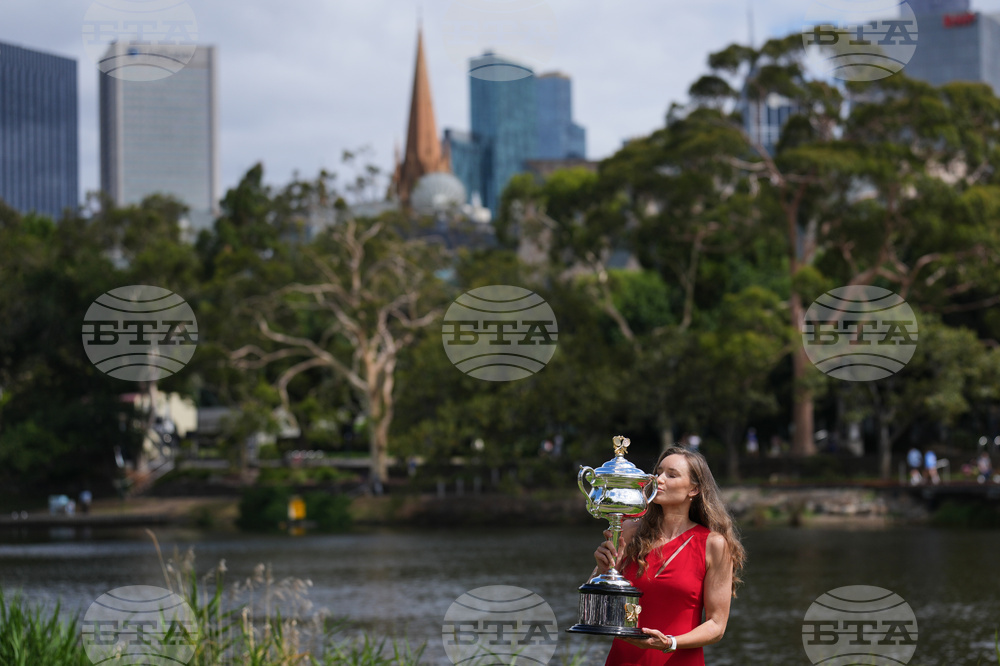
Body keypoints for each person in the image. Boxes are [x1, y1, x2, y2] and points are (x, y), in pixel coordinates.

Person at [592, 446, 745, 665]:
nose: (659, 479)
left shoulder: (714, 545)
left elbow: (716, 626)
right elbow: (597, 611)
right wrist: (603, 570)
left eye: (671, 475)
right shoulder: (628, 531)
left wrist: (669, 643)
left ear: (694, 489)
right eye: (659, 471)